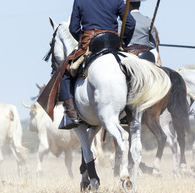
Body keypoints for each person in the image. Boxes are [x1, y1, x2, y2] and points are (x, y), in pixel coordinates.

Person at [58, 0, 136, 129]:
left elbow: (73, 28)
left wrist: (82, 39)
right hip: (113, 42)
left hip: (90, 41)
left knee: (66, 71)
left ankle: (71, 115)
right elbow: (130, 23)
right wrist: (124, 42)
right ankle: (133, 110)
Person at [126, 0, 162, 66]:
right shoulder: (148, 21)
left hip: (128, 56)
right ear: (139, 4)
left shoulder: (122, 21)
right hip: (145, 57)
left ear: (129, 5)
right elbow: (152, 44)